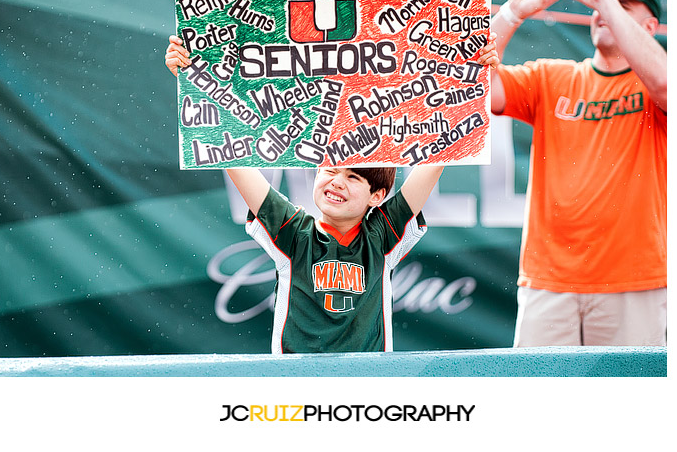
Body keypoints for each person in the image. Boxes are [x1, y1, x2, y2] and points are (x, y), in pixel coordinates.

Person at [165, 34, 501, 353]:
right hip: (295, 382)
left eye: (353, 177)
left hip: (369, 385)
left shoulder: (382, 236)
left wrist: (475, 78)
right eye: (329, 170)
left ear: (378, 195)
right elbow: (232, 157)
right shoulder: (294, 233)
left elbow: (439, 155)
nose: (336, 181)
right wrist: (193, 79)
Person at [488, 0, 666, 347]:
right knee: (539, 404)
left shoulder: (656, 82)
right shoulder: (551, 76)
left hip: (634, 281)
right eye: (601, 2)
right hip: (548, 282)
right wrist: (513, 11)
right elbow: (474, 88)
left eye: (621, 5)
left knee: (631, 407)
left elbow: (667, 86)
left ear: (651, 25)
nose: (603, 9)